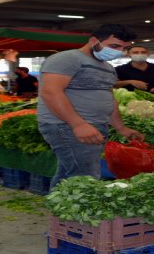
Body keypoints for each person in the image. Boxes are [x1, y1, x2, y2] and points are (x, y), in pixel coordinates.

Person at [37, 24, 145, 188]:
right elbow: (51, 92)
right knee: (85, 177)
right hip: (66, 126)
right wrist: (78, 124)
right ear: (94, 40)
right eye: (114, 46)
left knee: (69, 174)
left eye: (124, 48)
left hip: (94, 125)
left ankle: (59, 211)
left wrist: (121, 128)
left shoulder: (108, 68)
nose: (119, 51)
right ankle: (73, 213)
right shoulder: (67, 59)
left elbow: (109, 97)